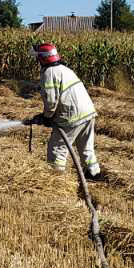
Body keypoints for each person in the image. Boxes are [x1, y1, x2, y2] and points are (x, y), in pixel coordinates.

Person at [28, 42, 103, 181]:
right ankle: (94, 175)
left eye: (38, 58)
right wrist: (46, 117)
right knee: (86, 148)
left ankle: (56, 180)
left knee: (57, 149)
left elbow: (51, 101)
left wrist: (47, 117)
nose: (37, 60)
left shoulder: (49, 72)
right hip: (88, 113)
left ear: (43, 58)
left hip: (71, 117)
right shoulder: (64, 69)